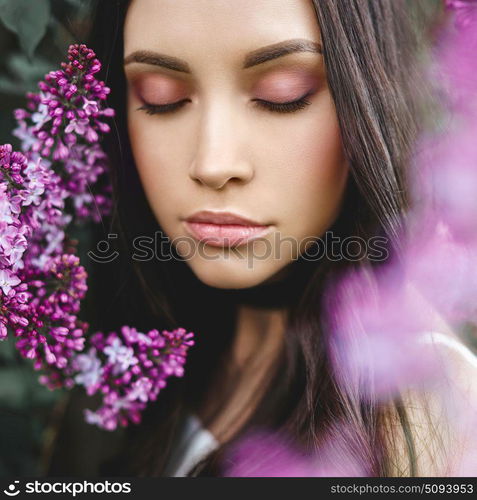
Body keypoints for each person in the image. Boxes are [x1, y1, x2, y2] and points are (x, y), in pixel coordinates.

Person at [55, 0, 476, 477]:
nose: (213, 164)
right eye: (161, 95)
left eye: (282, 94)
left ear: (367, 92)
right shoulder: (134, 361)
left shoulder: (426, 403)